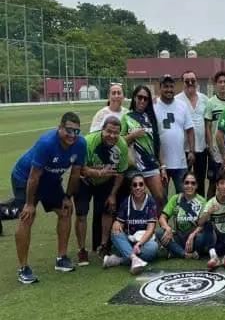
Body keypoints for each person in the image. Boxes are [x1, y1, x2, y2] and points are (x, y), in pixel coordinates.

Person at [12, 112, 87, 283]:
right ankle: (23, 268)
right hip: (25, 178)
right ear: (60, 128)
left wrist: (67, 197)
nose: (72, 135)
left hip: (50, 181)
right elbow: (34, 177)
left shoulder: (80, 144)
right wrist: (29, 204)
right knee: (27, 217)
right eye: (69, 130)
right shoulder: (46, 143)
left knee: (66, 210)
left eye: (76, 131)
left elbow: (75, 174)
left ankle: (62, 258)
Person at [74, 116, 128, 264]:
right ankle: (82, 250)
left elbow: (121, 173)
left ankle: (103, 245)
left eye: (116, 133)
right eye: (109, 131)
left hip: (105, 181)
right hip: (84, 181)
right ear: (102, 130)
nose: (112, 136)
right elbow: (81, 169)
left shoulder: (122, 145)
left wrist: (113, 195)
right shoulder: (89, 142)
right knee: (81, 214)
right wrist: (98, 173)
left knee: (108, 210)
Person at [103, 174, 160, 274]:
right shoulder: (126, 202)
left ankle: (119, 260)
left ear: (145, 186)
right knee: (115, 232)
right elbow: (120, 225)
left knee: (153, 247)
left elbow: (150, 229)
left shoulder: (151, 202)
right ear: (131, 188)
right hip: (129, 240)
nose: (138, 187)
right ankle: (134, 258)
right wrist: (117, 223)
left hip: (143, 242)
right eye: (135, 185)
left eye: (141, 184)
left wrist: (139, 244)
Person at [122, 85, 164, 209]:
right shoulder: (126, 117)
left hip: (151, 165)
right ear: (134, 98)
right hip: (134, 167)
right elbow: (119, 142)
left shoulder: (151, 118)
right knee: (136, 200)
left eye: (145, 98)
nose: (142, 101)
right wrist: (132, 135)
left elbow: (158, 144)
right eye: (139, 97)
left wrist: (163, 166)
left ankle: (160, 221)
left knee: (159, 198)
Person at [154, 75, 196, 196]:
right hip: (160, 163)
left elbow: (190, 129)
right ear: (160, 88)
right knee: (161, 198)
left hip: (180, 161)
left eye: (171, 86)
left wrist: (192, 151)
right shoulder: (153, 106)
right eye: (165, 86)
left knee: (183, 196)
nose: (169, 89)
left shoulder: (182, 105)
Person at [156, 172, 209, 259]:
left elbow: (202, 225)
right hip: (179, 236)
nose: (189, 186)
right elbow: (162, 217)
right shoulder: (176, 199)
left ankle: (176, 251)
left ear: (196, 186)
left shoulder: (202, 201)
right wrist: (168, 228)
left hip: (194, 238)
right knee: (159, 232)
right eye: (187, 183)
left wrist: (192, 235)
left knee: (202, 236)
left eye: (193, 183)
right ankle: (185, 254)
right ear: (183, 185)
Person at [176, 70, 209, 196]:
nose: (190, 83)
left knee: (200, 182)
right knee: (184, 183)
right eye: (187, 81)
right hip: (184, 149)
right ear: (182, 83)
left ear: (197, 82)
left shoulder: (204, 99)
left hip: (201, 148)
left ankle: (200, 206)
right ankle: (184, 205)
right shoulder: (176, 100)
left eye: (193, 80)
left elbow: (208, 123)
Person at [200, 170, 225, 270]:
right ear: (217, 185)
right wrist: (209, 212)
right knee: (207, 224)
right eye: (221, 183)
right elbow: (200, 223)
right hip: (217, 240)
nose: (224, 186)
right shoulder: (211, 202)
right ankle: (213, 256)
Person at [204, 70, 225, 198]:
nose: (222, 84)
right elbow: (208, 127)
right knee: (213, 182)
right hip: (215, 150)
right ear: (216, 85)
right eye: (220, 82)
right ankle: (209, 207)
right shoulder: (211, 103)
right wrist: (210, 147)